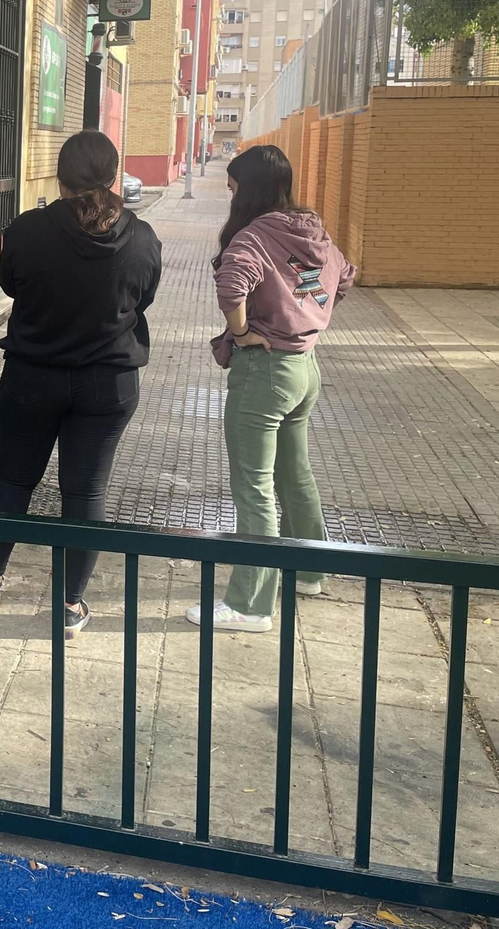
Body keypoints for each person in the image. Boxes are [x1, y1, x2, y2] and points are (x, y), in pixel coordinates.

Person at [0, 131, 162, 638]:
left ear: (60, 177)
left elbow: (11, 284)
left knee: (14, 477)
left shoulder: (27, 230)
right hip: (109, 383)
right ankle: (70, 604)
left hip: (33, 376)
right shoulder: (141, 237)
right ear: (113, 175)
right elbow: (141, 297)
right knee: (86, 490)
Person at [188, 144, 354, 632]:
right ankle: (309, 570)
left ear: (251, 188)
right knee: (294, 473)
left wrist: (241, 332)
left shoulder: (254, 235)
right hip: (305, 369)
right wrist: (307, 318)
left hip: (263, 373)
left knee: (254, 485)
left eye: (234, 185)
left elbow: (232, 285)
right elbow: (340, 279)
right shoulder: (309, 230)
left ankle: (250, 605)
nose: (230, 193)